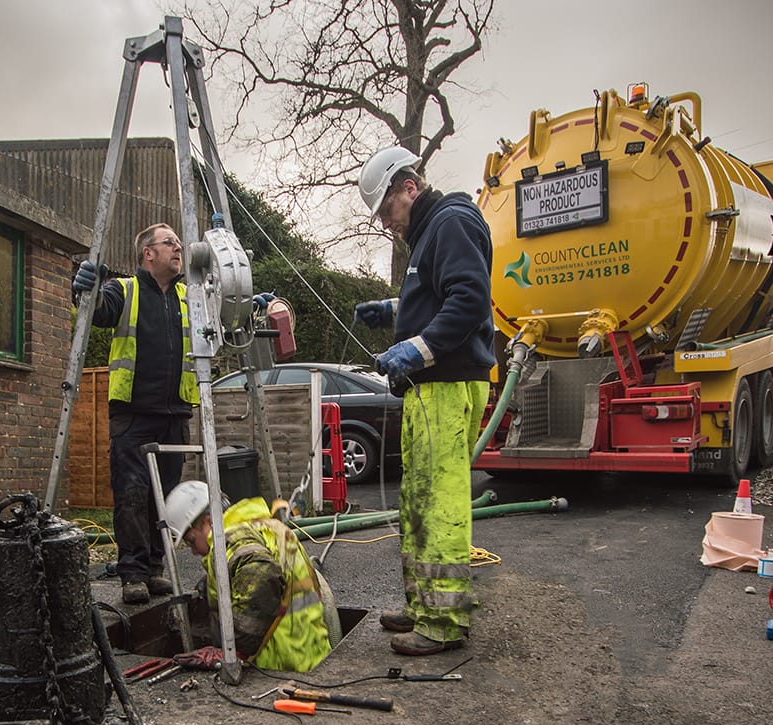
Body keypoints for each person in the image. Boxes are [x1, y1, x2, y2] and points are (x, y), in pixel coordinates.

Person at [353, 145, 496, 656]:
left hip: (445, 385)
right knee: (417, 500)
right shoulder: (431, 232)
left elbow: (470, 298)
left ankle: (445, 621)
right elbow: (440, 294)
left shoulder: (451, 220)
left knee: (439, 504)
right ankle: (423, 605)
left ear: (408, 187)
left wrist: (414, 350)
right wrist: (394, 309)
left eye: (387, 211)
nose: (388, 224)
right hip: (428, 390)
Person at [72, 223, 197, 605]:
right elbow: (97, 311)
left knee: (165, 498)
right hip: (134, 414)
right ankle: (132, 573)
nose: (178, 248)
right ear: (148, 253)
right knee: (131, 494)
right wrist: (84, 289)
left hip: (175, 413)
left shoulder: (187, 297)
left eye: (178, 243)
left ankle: (156, 569)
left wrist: (249, 305)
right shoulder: (123, 290)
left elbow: (223, 320)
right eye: (170, 243)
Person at [164, 480, 336, 674]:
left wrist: (234, 651)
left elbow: (261, 572)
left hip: (278, 666)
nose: (194, 551)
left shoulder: (229, 538)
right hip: (310, 658)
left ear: (208, 522)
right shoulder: (264, 526)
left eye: (191, 541)